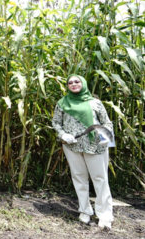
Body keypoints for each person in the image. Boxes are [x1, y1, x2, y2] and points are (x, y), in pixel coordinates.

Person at [52, 75, 114, 229]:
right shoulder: (62, 103)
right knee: (79, 177)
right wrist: (63, 135)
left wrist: (103, 138)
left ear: (83, 83)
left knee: (100, 178)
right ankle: (85, 210)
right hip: (72, 145)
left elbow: (106, 122)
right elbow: (56, 122)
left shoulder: (95, 102)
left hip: (95, 146)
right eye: (70, 82)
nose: (73, 84)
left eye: (77, 81)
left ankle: (105, 215)